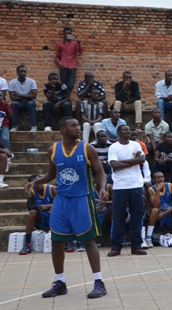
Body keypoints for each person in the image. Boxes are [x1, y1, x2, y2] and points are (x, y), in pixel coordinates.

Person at [24, 117, 108, 298]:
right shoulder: (53, 150)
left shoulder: (87, 148)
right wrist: (36, 181)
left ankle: (99, 282)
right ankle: (60, 282)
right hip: (61, 200)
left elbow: (100, 171)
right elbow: (51, 174)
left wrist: (101, 189)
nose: (77, 128)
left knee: (88, 240)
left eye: (78, 125)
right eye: (73, 125)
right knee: (57, 241)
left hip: (82, 199)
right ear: (62, 129)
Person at [108, 124, 150, 256]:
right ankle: (116, 247)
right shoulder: (113, 147)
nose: (128, 131)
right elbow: (114, 165)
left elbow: (142, 159)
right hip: (120, 186)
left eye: (128, 129)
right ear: (119, 133)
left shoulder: (136, 145)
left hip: (136, 185)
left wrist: (123, 163)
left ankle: (136, 246)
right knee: (118, 217)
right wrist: (134, 161)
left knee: (137, 217)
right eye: (125, 129)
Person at [145, 171, 172, 247]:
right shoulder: (150, 190)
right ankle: (148, 238)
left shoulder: (171, 186)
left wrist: (164, 213)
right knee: (154, 211)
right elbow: (155, 205)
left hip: (169, 213)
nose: (161, 179)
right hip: (158, 214)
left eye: (162, 177)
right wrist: (157, 190)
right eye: (158, 177)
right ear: (154, 180)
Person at [19, 174, 56, 255]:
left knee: (59, 211)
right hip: (42, 218)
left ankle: (68, 242)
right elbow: (29, 206)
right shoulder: (31, 192)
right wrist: (41, 208)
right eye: (37, 183)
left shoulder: (51, 189)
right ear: (32, 185)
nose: (39, 184)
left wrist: (48, 206)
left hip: (56, 217)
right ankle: (27, 243)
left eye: (41, 181)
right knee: (32, 212)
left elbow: (62, 204)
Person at [9, 65, 38, 131]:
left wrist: (18, 95)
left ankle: (33, 126)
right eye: (21, 71)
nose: (23, 73)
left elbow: (34, 96)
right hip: (19, 102)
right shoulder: (12, 82)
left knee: (31, 104)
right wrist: (27, 95)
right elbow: (12, 98)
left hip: (28, 101)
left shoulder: (32, 81)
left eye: (24, 71)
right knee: (14, 104)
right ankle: (14, 126)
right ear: (17, 72)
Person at [54, 27, 82, 94]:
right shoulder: (60, 44)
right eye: (67, 33)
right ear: (64, 34)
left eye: (69, 33)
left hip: (72, 66)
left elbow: (80, 51)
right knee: (64, 84)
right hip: (63, 66)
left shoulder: (74, 43)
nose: (68, 35)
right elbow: (57, 56)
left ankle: (65, 97)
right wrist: (59, 62)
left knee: (71, 84)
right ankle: (66, 99)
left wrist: (79, 44)